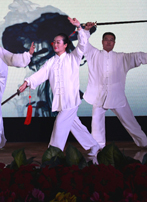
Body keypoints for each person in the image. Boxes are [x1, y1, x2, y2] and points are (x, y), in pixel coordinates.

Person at [18, 17, 100, 162]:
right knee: (75, 126)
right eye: (54, 42)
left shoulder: (73, 57)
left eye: (58, 42)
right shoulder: (51, 62)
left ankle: (53, 154)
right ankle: (94, 145)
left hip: (71, 100)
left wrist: (80, 28)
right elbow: (41, 74)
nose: (55, 44)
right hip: (60, 101)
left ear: (65, 45)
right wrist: (27, 82)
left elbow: (82, 44)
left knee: (60, 124)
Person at [82, 25, 147, 150]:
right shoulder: (94, 54)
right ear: (102, 42)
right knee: (96, 122)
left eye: (111, 40)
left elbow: (137, 56)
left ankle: (144, 142)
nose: (109, 42)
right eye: (106, 39)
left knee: (129, 120)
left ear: (114, 43)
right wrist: (86, 30)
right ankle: (98, 146)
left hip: (116, 95)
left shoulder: (121, 57)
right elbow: (84, 43)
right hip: (99, 95)